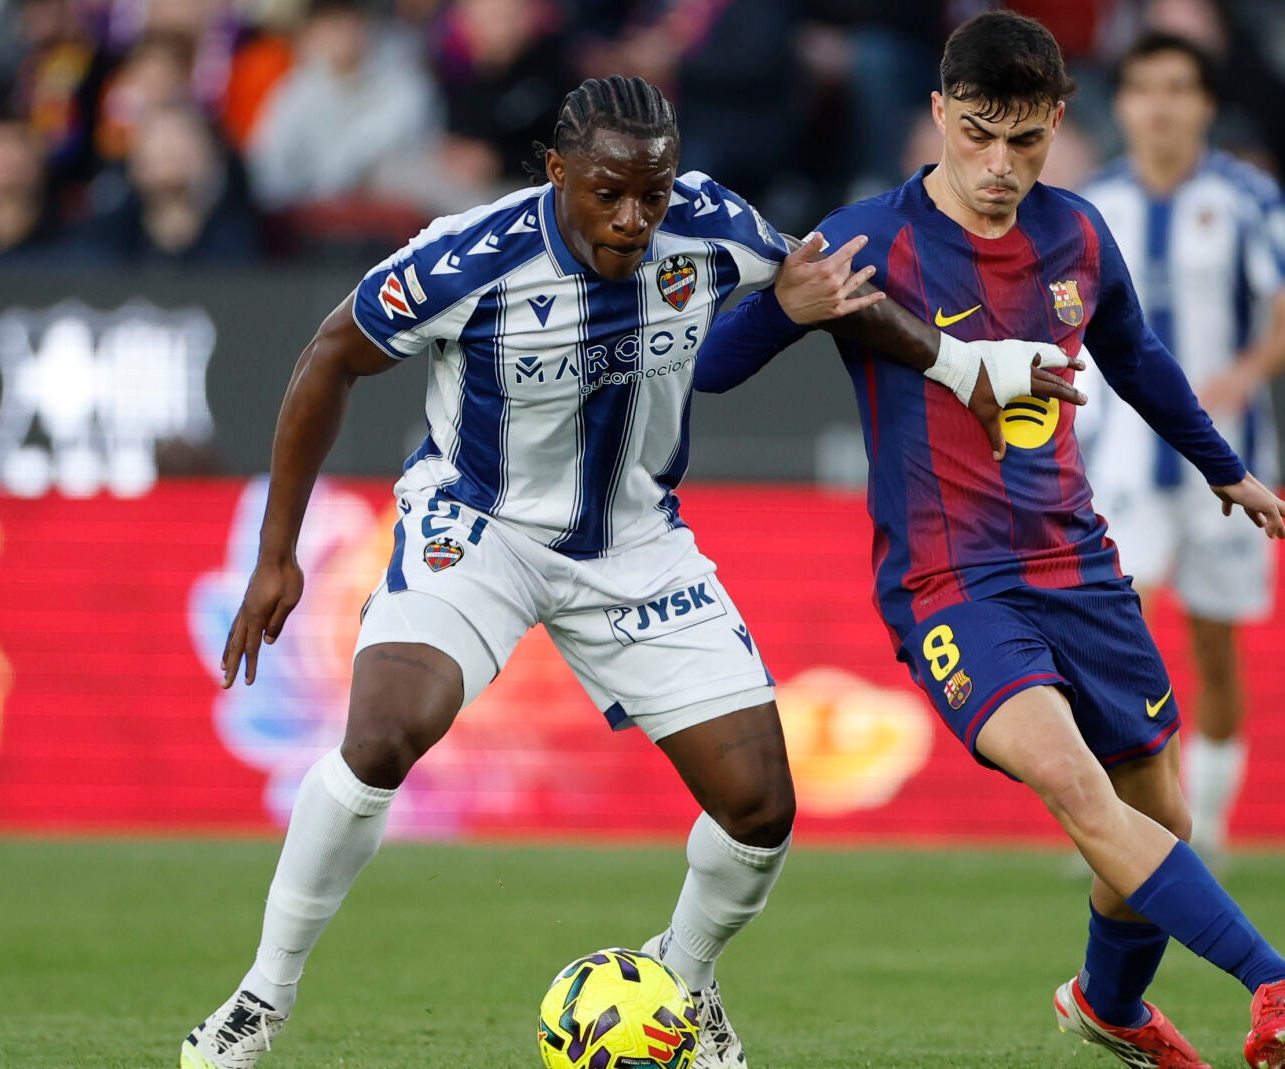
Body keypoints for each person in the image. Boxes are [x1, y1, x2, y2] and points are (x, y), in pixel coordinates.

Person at [179, 73, 1081, 1069]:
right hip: (480, 531)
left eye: (650, 194)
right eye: (607, 193)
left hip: (638, 548)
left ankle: (683, 985)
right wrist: (276, 556)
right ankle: (259, 999)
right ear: (557, 173)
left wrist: (964, 370)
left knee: (760, 810)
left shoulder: (708, 225)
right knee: (384, 734)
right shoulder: (467, 255)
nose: (633, 218)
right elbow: (326, 360)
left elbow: (825, 294)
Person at [692, 13, 1285, 1069]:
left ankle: (1110, 1005)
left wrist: (1222, 469)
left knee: (1156, 813)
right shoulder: (872, 236)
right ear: (938, 115)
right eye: (977, 135)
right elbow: (714, 370)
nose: (999, 167)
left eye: (1025, 141)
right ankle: (1274, 983)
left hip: (1079, 563)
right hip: (950, 581)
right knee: (1078, 789)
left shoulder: (1077, 234)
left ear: (1058, 122)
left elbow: (1135, 357)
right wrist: (781, 299)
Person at [1072, 32, 1285, 865]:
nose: (1160, 105)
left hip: (1229, 462)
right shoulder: (1090, 203)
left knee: (1215, 646)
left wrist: (1242, 374)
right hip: (1120, 460)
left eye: (1178, 88)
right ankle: (1129, 827)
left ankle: (1208, 826)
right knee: (1124, 638)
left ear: (1205, 104)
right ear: (1123, 104)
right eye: (1145, 88)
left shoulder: (1246, 197)